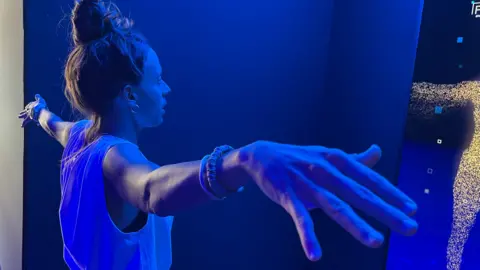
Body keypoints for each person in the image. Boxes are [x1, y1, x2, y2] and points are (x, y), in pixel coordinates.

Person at [18, 0, 418, 269]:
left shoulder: (78, 136)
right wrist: (240, 161)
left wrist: (36, 111)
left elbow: (52, 122)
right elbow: (150, 189)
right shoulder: (116, 157)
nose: (166, 89)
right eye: (158, 80)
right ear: (129, 95)